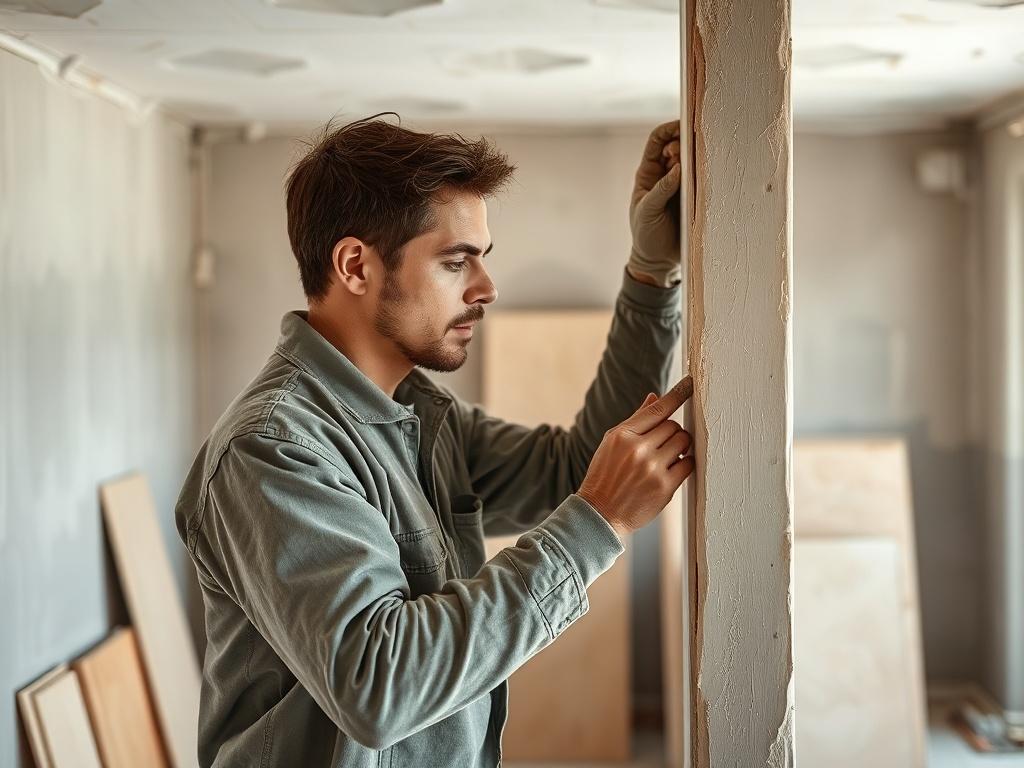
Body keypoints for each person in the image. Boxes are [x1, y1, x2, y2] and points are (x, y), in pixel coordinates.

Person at [174, 114, 694, 767]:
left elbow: (577, 471)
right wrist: (597, 524)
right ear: (355, 266)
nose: (486, 288)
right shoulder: (272, 449)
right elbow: (379, 685)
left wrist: (651, 273)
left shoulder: (421, 417)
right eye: (456, 262)